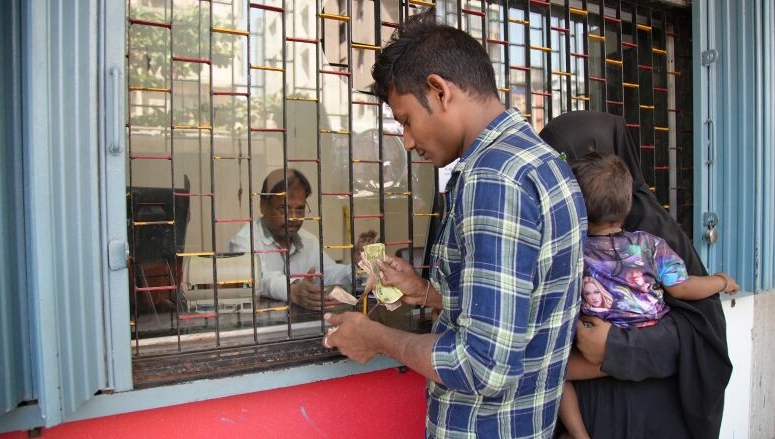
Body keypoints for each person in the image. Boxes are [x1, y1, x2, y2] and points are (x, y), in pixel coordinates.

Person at [322, 11, 587, 438]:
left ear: (439, 91)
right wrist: (429, 293)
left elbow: (482, 365)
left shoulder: (494, 178)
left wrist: (376, 338)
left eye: (406, 120)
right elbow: (524, 306)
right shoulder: (541, 161)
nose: (407, 141)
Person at [540, 111, 734, 439]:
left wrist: (617, 347)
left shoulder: (656, 231)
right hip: (596, 413)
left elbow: (703, 331)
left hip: (656, 411)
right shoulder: (566, 235)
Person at [228, 168, 377, 310]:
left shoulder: (308, 240)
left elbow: (329, 273)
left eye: (299, 209)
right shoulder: (244, 241)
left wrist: (358, 267)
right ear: (263, 206)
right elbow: (259, 279)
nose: (293, 218)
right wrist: (292, 289)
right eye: (284, 209)